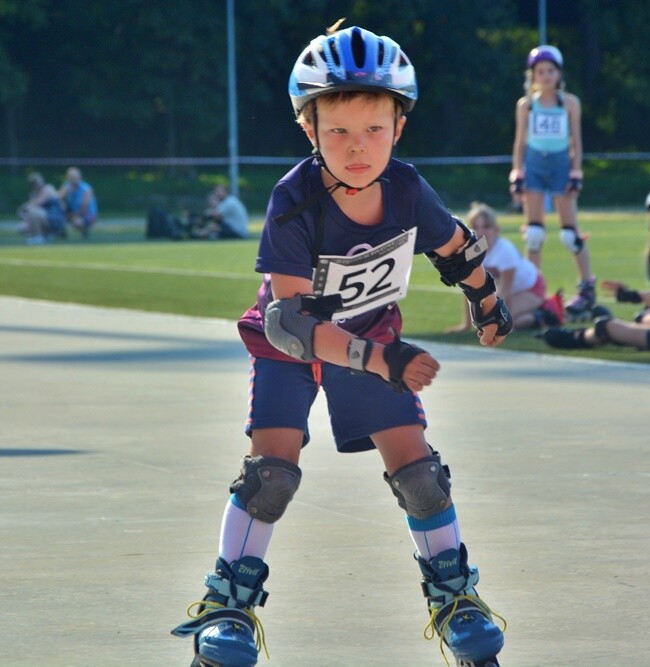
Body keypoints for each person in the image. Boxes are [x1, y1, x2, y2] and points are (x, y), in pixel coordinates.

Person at [171, 23, 510, 667]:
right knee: (272, 473)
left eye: (374, 130)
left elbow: (455, 246)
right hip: (294, 345)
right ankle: (229, 605)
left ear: (399, 128)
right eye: (339, 132)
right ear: (309, 130)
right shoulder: (294, 199)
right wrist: (382, 359)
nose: (358, 149)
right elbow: (293, 325)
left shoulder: (407, 189)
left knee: (420, 473)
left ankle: (454, 598)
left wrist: (485, 299)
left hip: (370, 331)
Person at [542, 185, 650, 353]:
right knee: (642, 317)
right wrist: (630, 295)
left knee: (606, 326)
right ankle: (618, 326)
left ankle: (578, 337)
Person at [510, 44, 596, 321]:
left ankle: (587, 286)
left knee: (570, 234)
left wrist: (576, 171)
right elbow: (520, 140)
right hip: (534, 164)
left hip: (560, 165)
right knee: (534, 233)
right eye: (540, 71)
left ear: (559, 74)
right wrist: (517, 172)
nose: (545, 76)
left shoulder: (569, 103)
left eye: (550, 71)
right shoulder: (526, 105)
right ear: (532, 75)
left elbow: (577, 141)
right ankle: (533, 288)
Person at [446, 202, 563, 332]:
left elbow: (506, 290)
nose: (480, 232)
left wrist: (504, 325)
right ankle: (537, 314)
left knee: (497, 320)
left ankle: (545, 312)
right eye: (476, 227)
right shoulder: (473, 252)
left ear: (496, 229)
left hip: (531, 288)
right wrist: (466, 325)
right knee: (492, 318)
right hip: (511, 290)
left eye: (486, 227)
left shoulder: (504, 251)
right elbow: (468, 288)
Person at [16, 172, 66, 245]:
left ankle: (39, 237)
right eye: (34, 183)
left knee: (32, 211)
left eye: (37, 181)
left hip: (54, 219)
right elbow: (27, 208)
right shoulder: (33, 194)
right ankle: (45, 236)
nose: (37, 184)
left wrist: (23, 208)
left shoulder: (48, 188)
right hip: (44, 219)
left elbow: (36, 204)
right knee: (22, 228)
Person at [57, 167, 98, 238]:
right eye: (71, 177)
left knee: (77, 222)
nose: (73, 179)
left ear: (79, 177)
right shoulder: (67, 187)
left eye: (74, 177)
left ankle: (85, 231)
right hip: (73, 213)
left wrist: (73, 216)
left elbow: (85, 208)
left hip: (88, 215)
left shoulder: (86, 189)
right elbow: (57, 199)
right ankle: (61, 233)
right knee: (57, 216)